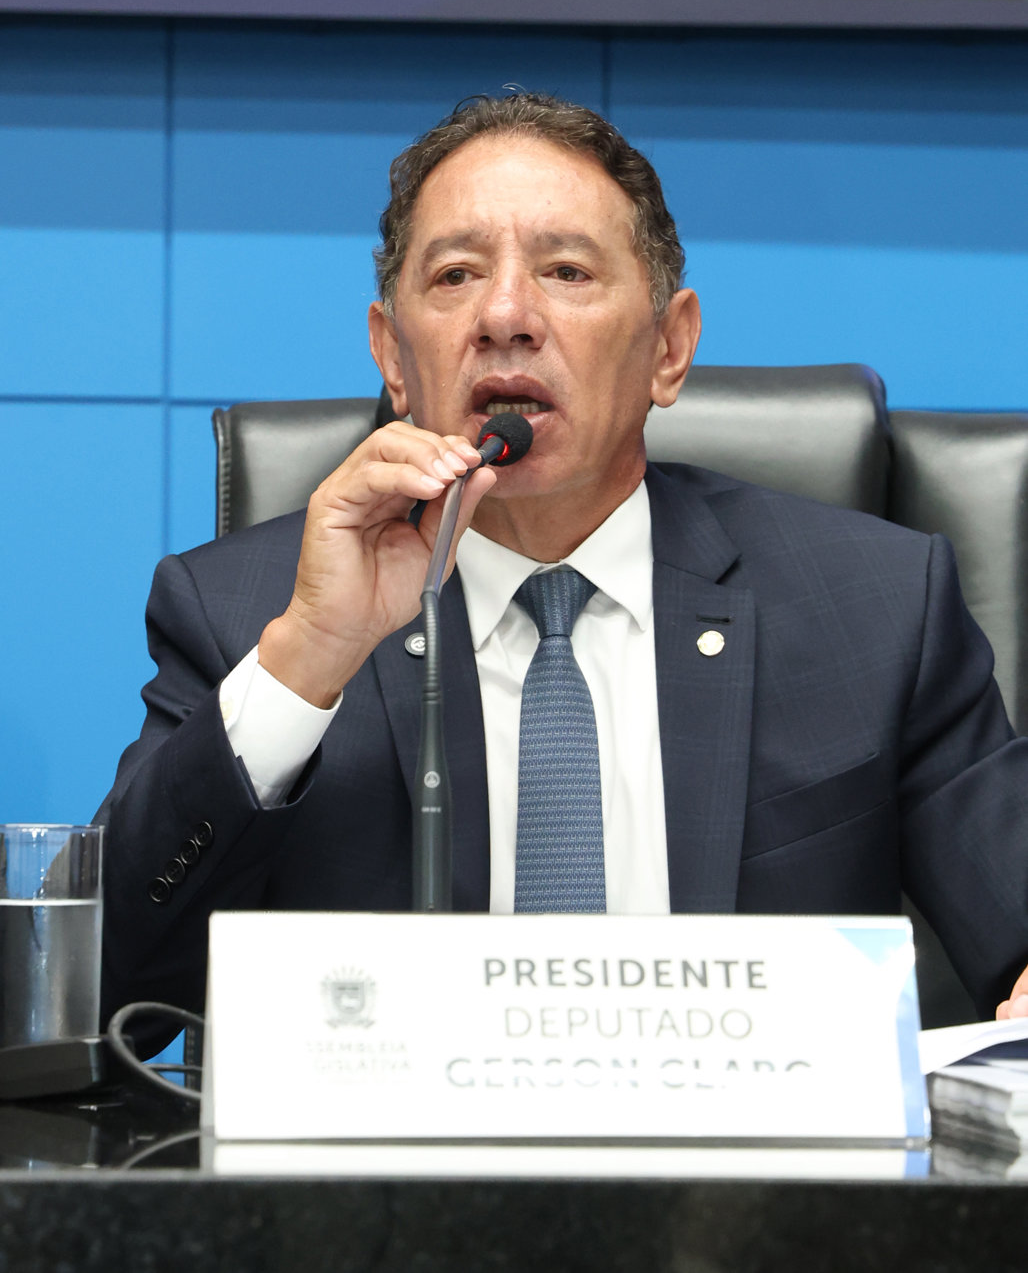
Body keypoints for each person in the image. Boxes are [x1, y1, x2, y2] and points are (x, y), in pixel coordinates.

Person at [96, 92, 1028, 1037]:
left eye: (567, 271)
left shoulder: (874, 611)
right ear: (392, 354)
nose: (505, 315)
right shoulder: (249, 618)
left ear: (670, 348)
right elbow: (99, 998)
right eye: (456, 275)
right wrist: (310, 656)